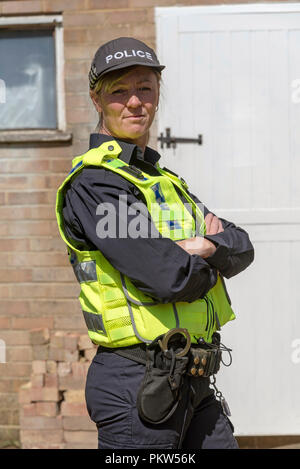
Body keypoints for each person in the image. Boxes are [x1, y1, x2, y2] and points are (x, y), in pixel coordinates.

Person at [56, 37, 254, 449]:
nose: (134, 102)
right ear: (97, 98)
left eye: (144, 88)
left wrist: (206, 248)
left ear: (158, 93)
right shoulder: (96, 185)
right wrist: (208, 253)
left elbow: (242, 245)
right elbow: (168, 278)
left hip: (196, 382)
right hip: (137, 383)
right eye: (119, 90)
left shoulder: (166, 183)